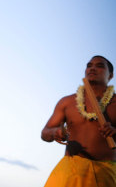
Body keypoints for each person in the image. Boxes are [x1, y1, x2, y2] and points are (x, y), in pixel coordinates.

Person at [41, 55, 115, 187]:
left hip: (106, 173)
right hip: (69, 171)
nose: (92, 68)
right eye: (89, 65)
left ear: (110, 76)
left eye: (100, 66)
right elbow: (45, 133)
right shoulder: (67, 102)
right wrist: (55, 132)